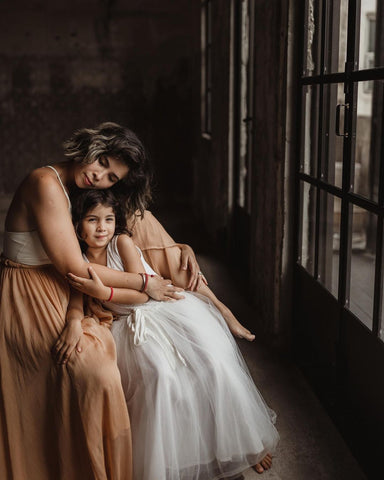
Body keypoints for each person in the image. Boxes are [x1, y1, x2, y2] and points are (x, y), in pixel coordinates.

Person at [0, 122, 201, 480]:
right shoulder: (45, 183)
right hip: (29, 292)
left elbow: (126, 229)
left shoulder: (79, 192)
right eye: (103, 161)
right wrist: (145, 282)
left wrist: (181, 249)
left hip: (67, 289)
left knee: (138, 361)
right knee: (94, 373)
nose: (100, 177)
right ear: (91, 145)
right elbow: (74, 266)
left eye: (111, 177)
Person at [66, 189, 279, 480]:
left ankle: (243, 445)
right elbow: (76, 300)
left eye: (108, 219)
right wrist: (74, 323)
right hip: (128, 327)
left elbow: (145, 295)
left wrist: (105, 292)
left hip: (165, 310)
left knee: (213, 363)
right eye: (92, 220)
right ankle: (165, 461)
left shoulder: (121, 244)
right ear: (78, 225)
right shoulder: (79, 262)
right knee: (160, 378)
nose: (102, 227)